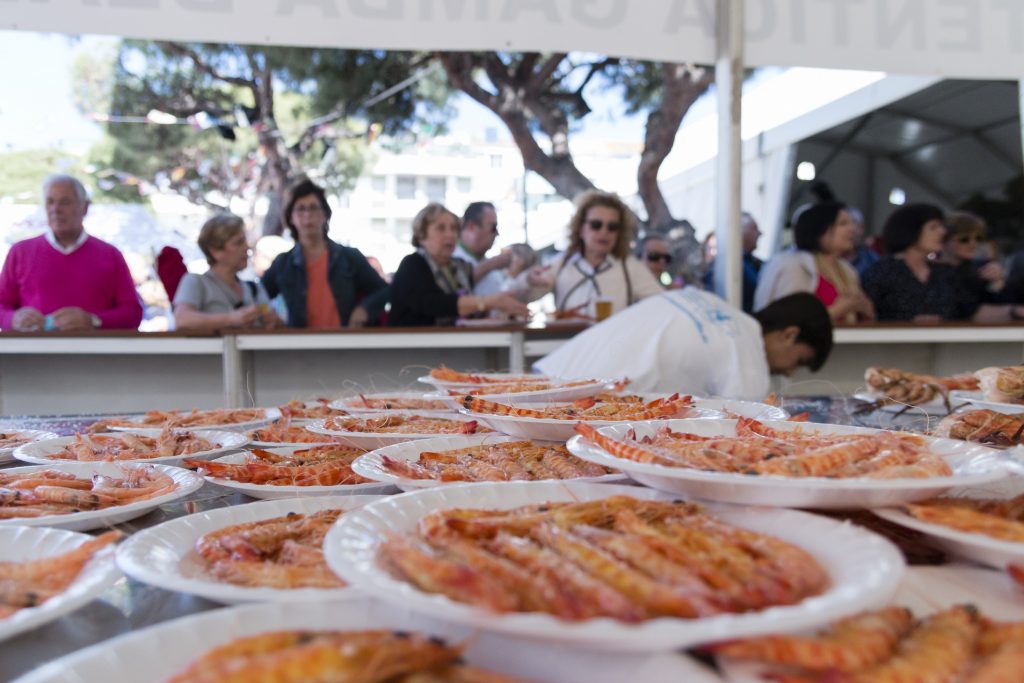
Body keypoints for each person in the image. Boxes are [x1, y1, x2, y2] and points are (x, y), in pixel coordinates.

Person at [534, 290, 833, 401]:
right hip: (576, 408)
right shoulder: (748, 355)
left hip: (544, 379)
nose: (790, 372)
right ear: (789, 335)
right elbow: (742, 431)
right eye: (799, 361)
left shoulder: (708, 300)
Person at [0, 174, 143, 331]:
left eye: (65, 202)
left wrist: (94, 321)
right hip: (32, 347)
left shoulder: (110, 255)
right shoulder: (20, 252)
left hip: (93, 347)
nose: (56, 209)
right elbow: (2, 305)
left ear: (85, 207)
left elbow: (133, 313)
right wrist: (13, 319)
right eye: (50, 202)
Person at [862, 204, 1024, 322]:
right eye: (933, 227)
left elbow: (971, 311)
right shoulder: (881, 272)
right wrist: (907, 323)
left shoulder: (945, 273)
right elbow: (866, 315)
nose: (942, 232)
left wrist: (1013, 311)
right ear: (911, 231)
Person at [262, 178, 388, 328]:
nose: (307, 215)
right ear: (291, 217)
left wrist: (364, 309)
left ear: (325, 214)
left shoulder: (349, 257)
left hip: (345, 339)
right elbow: (258, 296)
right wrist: (273, 319)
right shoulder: (283, 264)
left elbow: (384, 290)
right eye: (301, 209)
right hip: (300, 342)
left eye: (313, 208)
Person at [523, 190, 662, 317]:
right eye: (596, 225)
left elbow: (662, 302)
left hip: (615, 337)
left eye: (612, 227)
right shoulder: (561, 263)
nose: (604, 232)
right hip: (568, 336)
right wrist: (527, 281)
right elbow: (524, 296)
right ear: (581, 228)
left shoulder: (630, 267)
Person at [388, 203, 530, 326]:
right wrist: (490, 302)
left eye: (454, 228)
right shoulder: (412, 265)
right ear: (422, 235)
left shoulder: (461, 267)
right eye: (441, 228)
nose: (450, 234)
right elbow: (436, 304)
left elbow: (468, 309)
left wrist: (499, 306)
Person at [754, 202, 875, 324]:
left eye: (852, 223)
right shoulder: (794, 266)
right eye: (843, 224)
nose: (852, 229)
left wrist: (864, 308)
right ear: (819, 230)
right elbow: (786, 321)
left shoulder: (847, 271)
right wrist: (840, 309)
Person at [173, 214, 279, 331]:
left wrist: (273, 321)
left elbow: (277, 323)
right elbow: (182, 320)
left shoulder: (253, 288)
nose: (246, 247)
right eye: (238, 243)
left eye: (245, 241)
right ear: (215, 251)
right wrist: (231, 319)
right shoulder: (195, 282)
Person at [702, 212, 763, 312]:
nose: (760, 234)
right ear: (740, 230)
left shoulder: (755, 264)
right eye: (754, 228)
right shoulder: (726, 265)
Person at [940, 211, 1005, 304]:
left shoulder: (982, 270)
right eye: (964, 239)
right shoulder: (928, 270)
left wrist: (997, 283)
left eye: (978, 238)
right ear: (944, 241)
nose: (973, 244)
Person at [454, 201, 510, 296]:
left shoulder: (482, 259)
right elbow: (456, 287)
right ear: (472, 226)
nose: (497, 233)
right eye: (493, 227)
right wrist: (491, 264)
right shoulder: (452, 257)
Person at [842, 207, 879, 277]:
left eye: (853, 223)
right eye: (843, 224)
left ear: (862, 228)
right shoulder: (824, 261)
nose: (850, 229)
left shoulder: (871, 260)